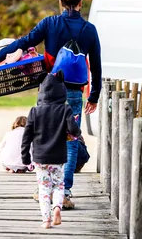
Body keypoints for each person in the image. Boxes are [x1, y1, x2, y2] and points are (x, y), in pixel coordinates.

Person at [0, 0, 102, 207]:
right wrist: (94, 96)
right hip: (73, 92)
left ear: (61, 3)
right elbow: (97, 65)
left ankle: (43, 187)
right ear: (81, 3)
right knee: (72, 141)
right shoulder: (90, 30)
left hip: (47, 92)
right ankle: (65, 192)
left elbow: (22, 43)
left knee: (43, 136)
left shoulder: (50, 23)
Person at [21, 70, 82, 229]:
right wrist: (76, 132)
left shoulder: (34, 111)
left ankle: (46, 220)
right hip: (59, 158)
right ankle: (57, 208)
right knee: (59, 186)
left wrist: (25, 158)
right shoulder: (65, 110)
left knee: (44, 189)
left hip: (41, 159)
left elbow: (26, 137)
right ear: (61, 90)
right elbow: (74, 130)